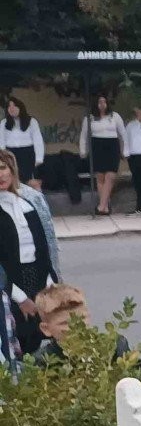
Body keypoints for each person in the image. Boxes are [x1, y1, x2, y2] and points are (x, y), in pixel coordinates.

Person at [1, 149, 58, 352]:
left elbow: (43, 250)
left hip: (37, 279)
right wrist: (21, 298)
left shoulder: (27, 205)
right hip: (10, 286)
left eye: (3, 168)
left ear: (12, 170)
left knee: (39, 337)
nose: (0, 175)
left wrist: (49, 286)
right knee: (15, 340)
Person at [83, 94, 125, 216]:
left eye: (104, 102)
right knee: (100, 177)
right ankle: (105, 207)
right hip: (97, 146)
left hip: (112, 146)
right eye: (99, 102)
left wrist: (125, 150)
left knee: (110, 176)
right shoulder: (89, 118)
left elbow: (123, 133)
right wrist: (83, 150)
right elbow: (84, 135)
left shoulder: (115, 116)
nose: (102, 104)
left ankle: (101, 205)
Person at [3, 96, 46, 188]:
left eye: (14, 106)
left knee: (30, 182)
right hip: (10, 155)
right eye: (9, 106)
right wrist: (2, 158)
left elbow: (38, 140)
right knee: (14, 182)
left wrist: (39, 158)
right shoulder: (4, 123)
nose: (12, 108)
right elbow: (1, 141)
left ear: (20, 107)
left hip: (28, 154)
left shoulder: (32, 121)